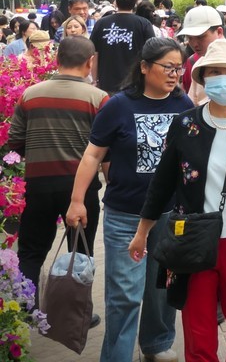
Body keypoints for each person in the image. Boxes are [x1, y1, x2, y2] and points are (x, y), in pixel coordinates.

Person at [129, 40, 226, 362]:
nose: (223, 79)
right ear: (203, 77)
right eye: (215, 72)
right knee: (198, 336)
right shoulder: (186, 124)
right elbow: (162, 184)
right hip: (193, 243)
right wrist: (142, 231)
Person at [66, 37, 190, 362]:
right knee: (124, 295)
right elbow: (93, 155)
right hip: (126, 215)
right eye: (168, 67)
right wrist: (77, 200)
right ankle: (117, 356)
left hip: (169, 214)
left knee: (162, 286)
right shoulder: (118, 105)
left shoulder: (184, 105)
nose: (175, 74)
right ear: (145, 67)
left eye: (179, 68)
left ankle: (157, 342)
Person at [11, 37, 108, 303]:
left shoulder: (30, 94)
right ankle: (73, 316)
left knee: (31, 250)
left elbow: (15, 141)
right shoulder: (99, 99)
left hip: (38, 185)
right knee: (79, 252)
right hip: (81, 188)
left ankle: (25, 307)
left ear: (56, 60)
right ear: (90, 62)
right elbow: (106, 148)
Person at [91, 0, 157, 94]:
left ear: (115, 2)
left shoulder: (101, 23)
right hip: (136, 83)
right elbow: (152, 53)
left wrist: (95, 79)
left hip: (106, 83)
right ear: (135, 3)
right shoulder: (144, 24)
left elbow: (95, 54)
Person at [179, 6, 226, 102]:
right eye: (190, 38)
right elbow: (194, 103)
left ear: (219, 32)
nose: (194, 44)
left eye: (201, 37)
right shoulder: (198, 65)